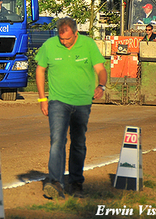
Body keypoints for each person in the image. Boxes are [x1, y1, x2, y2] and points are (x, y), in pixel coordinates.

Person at [35, 17, 107, 199]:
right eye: (62, 39)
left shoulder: (88, 45)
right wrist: (43, 98)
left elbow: (100, 69)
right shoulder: (49, 45)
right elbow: (40, 70)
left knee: (78, 142)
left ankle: (75, 183)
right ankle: (55, 182)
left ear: (76, 33)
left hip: (82, 102)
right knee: (57, 141)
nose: (64, 42)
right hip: (58, 101)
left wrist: (102, 85)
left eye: (68, 39)